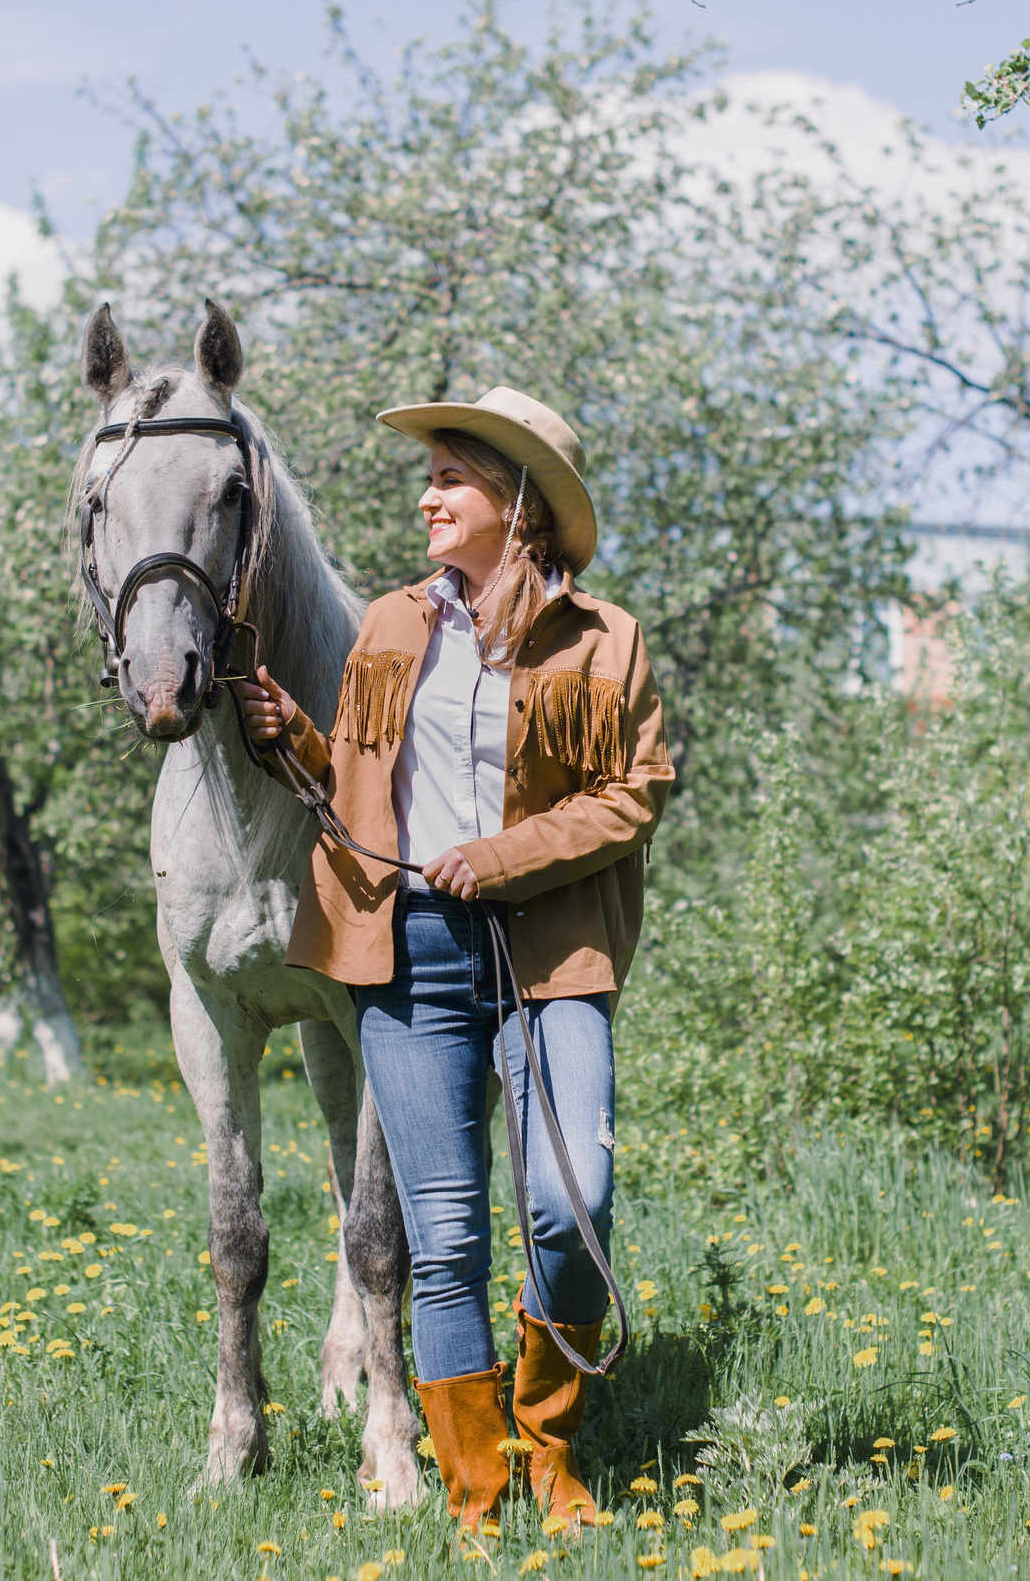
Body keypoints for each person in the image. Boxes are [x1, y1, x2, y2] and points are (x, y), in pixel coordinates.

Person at [235, 386, 673, 1538]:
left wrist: (505, 855)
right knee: (443, 1234)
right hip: (411, 948)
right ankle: (481, 1497)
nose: (426, 496)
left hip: (549, 951)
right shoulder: (388, 625)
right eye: (427, 477)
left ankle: (548, 1448)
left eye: (450, 478)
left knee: (574, 1205)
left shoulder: (604, 639)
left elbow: (635, 793)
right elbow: (363, 786)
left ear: (516, 502)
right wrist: (302, 738)